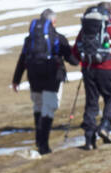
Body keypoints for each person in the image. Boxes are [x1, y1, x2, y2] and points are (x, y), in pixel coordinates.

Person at [11, 8, 80, 155]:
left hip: (33, 77)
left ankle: (38, 140)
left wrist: (16, 80)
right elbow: (72, 60)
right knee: (49, 108)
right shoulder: (58, 38)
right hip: (52, 77)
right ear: (53, 22)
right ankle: (44, 145)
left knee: (38, 106)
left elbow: (22, 59)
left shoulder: (29, 39)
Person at [73, 4, 111, 149]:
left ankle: (89, 139)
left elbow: (75, 51)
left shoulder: (86, 28)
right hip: (108, 68)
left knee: (91, 102)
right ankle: (105, 126)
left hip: (88, 69)